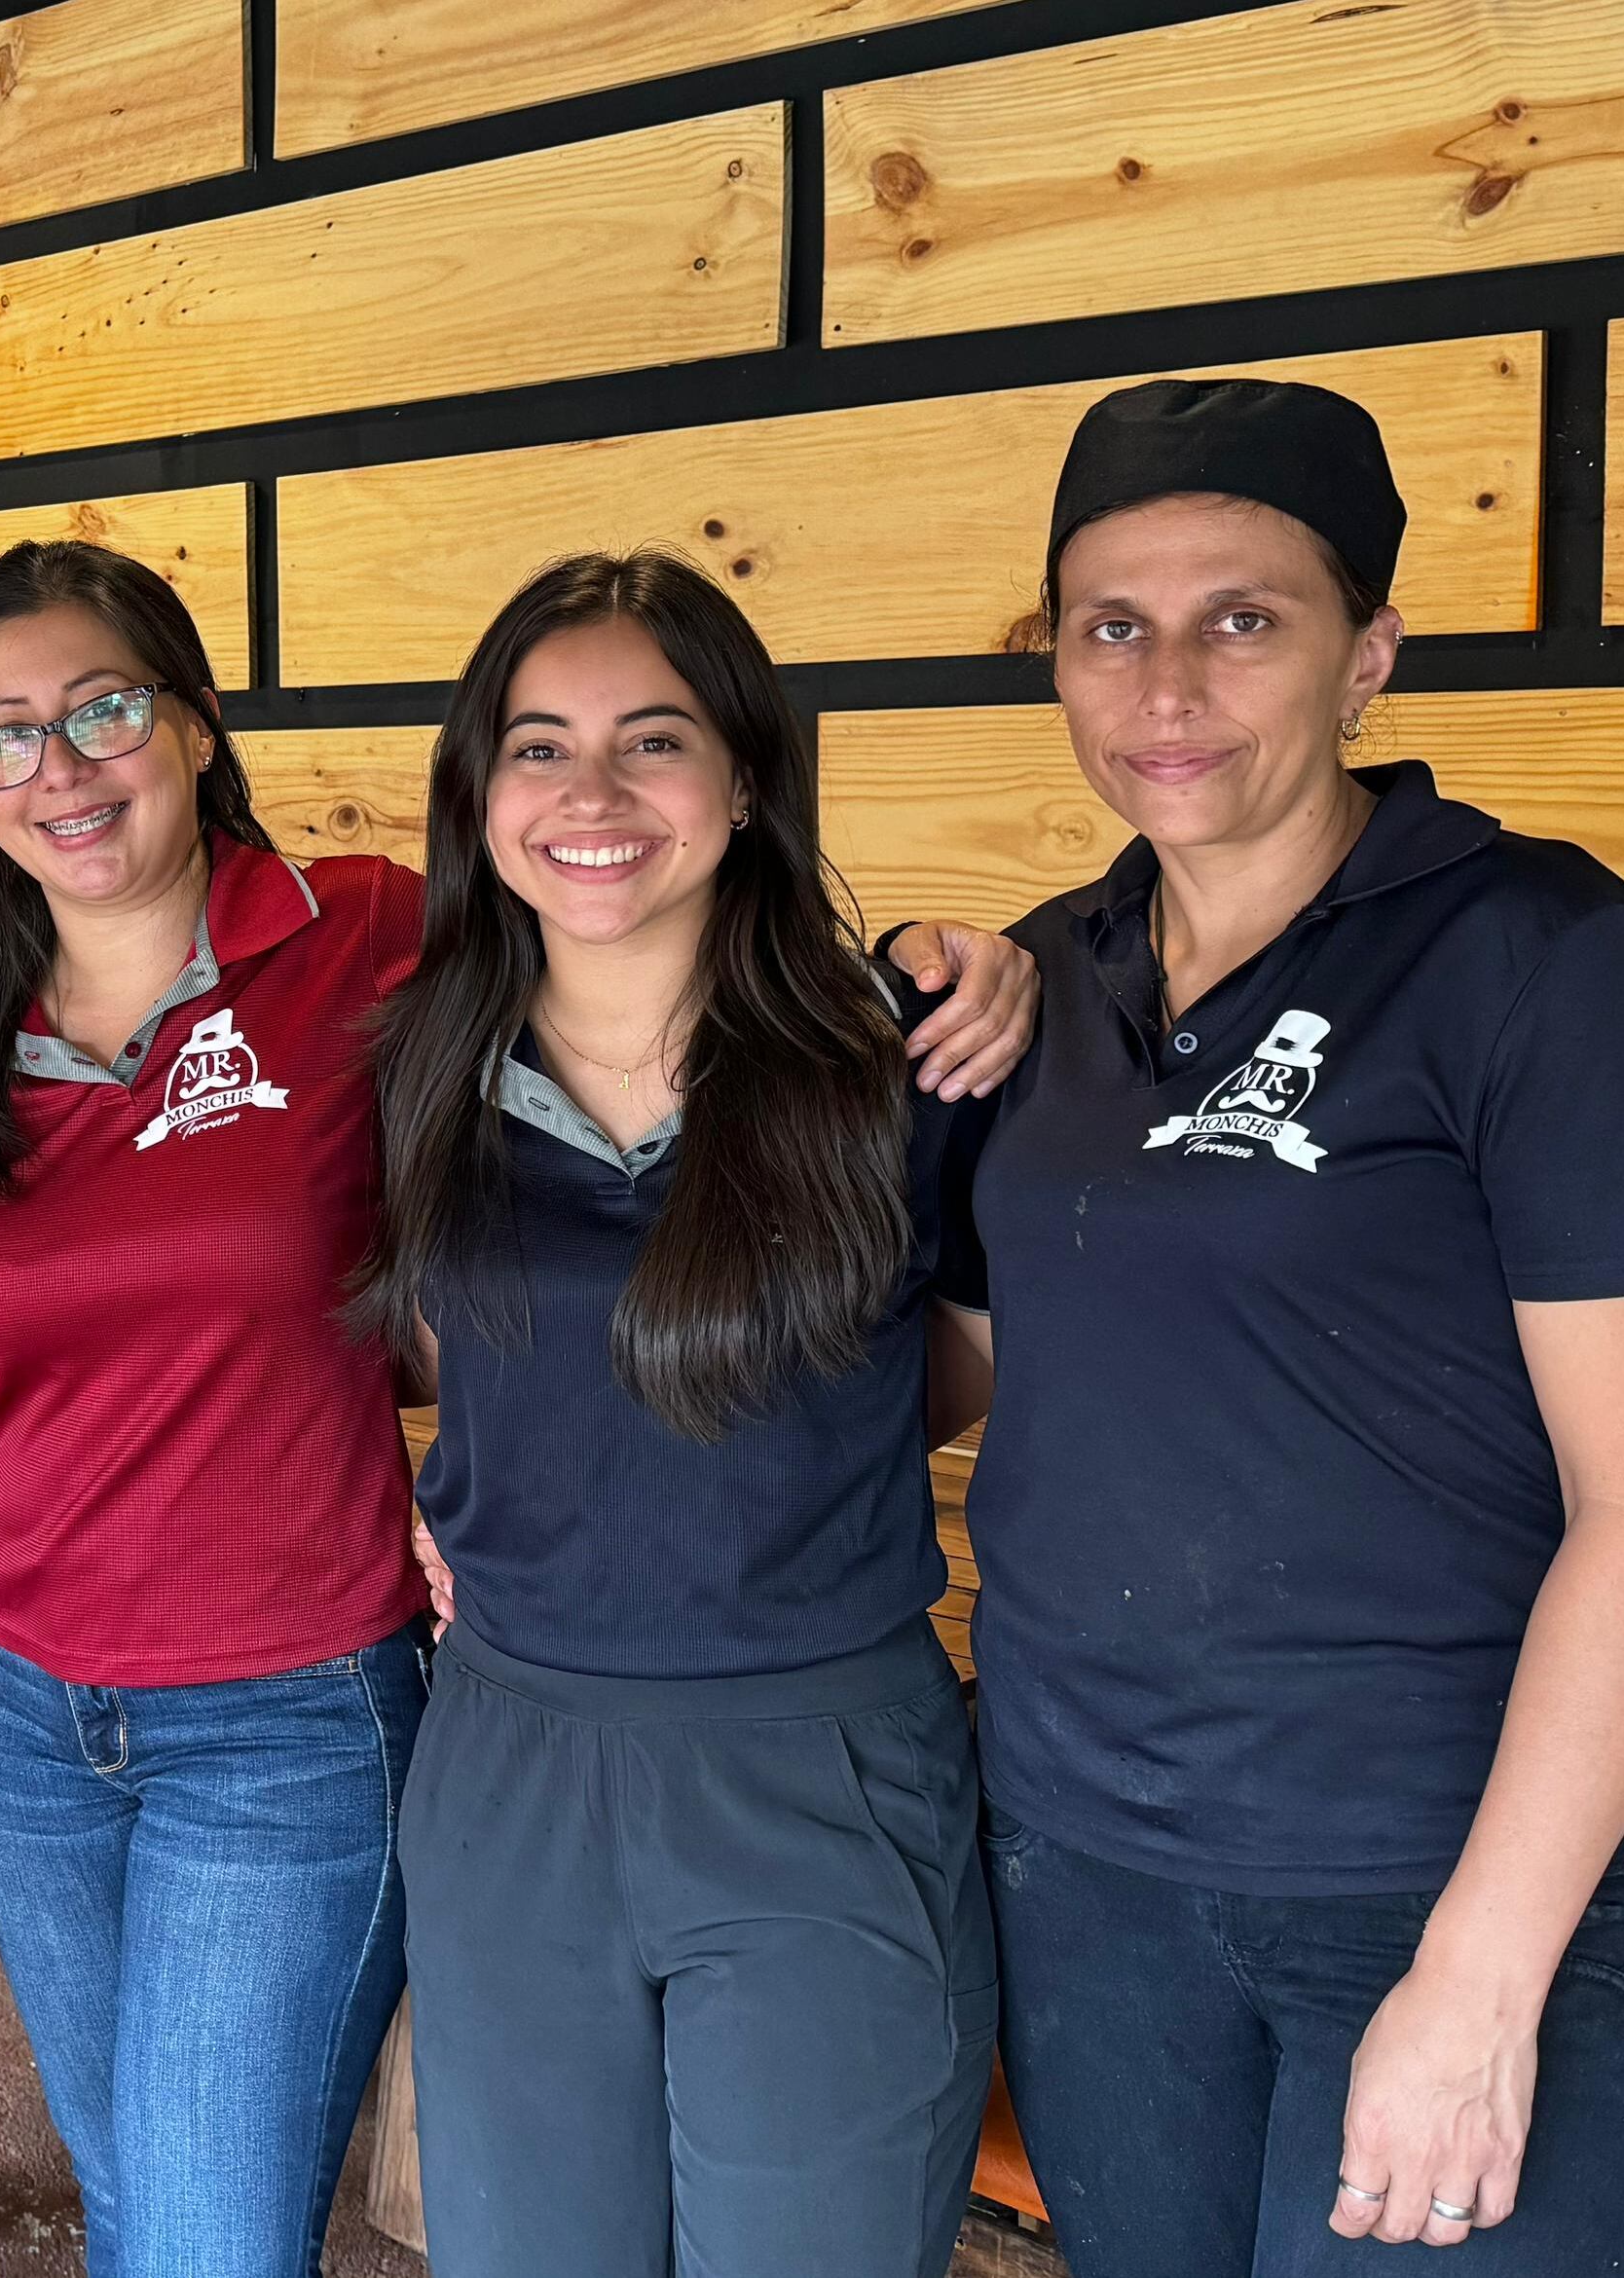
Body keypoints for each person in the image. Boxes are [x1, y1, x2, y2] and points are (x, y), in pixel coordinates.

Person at [0, 539, 1036, 2277]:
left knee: (197, 2239)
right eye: (1, 735)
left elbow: (667, 959)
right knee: (151, 2207)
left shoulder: (373, 949)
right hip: (41, 1711)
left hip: (296, 1706)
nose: (59, 766)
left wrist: (955, 953)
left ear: (192, 720)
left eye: (101, 707)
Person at [941, 380, 1624, 2273]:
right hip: (1087, 1884)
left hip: (1428, 1882)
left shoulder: (1533, 958)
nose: (1165, 687)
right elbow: (949, 1366)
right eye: (1107, 626)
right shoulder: (1042, 984)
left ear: (1366, 651)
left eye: (1244, 619)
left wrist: (1475, 1984)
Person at [361, 552, 1002, 2277]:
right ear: (477, 790)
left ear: (744, 778)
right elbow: (428, 1356)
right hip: (507, 1764)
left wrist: (744, 1439)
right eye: (538, 746)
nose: (592, 795)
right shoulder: (418, 1070)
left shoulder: (902, 1062)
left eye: (654, 741)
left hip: (817, 1767)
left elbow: (948, 1371)